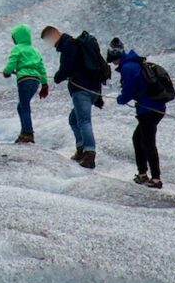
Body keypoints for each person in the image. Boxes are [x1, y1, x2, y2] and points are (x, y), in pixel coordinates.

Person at [39, 25, 106, 168]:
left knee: (83, 121)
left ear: (54, 35)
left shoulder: (69, 46)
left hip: (81, 89)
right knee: (74, 119)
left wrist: (57, 77)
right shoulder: (76, 45)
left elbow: (66, 68)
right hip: (93, 89)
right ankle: (81, 149)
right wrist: (98, 95)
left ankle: (89, 153)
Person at [112, 46, 167, 189]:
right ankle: (143, 173)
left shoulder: (128, 68)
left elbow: (129, 91)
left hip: (148, 109)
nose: (114, 64)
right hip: (156, 107)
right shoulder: (136, 64)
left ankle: (155, 178)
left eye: (113, 61)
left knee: (147, 142)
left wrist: (121, 99)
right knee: (138, 139)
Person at [1, 25, 46, 143]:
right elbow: (42, 68)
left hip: (24, 79)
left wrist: (7, 72)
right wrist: (44, 85)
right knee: (21, 106)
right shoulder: (35, 50)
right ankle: (24, 131)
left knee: (24, 106)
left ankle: (28, 134)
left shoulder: (17, 48)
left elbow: (12, 62)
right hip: (35, 80)